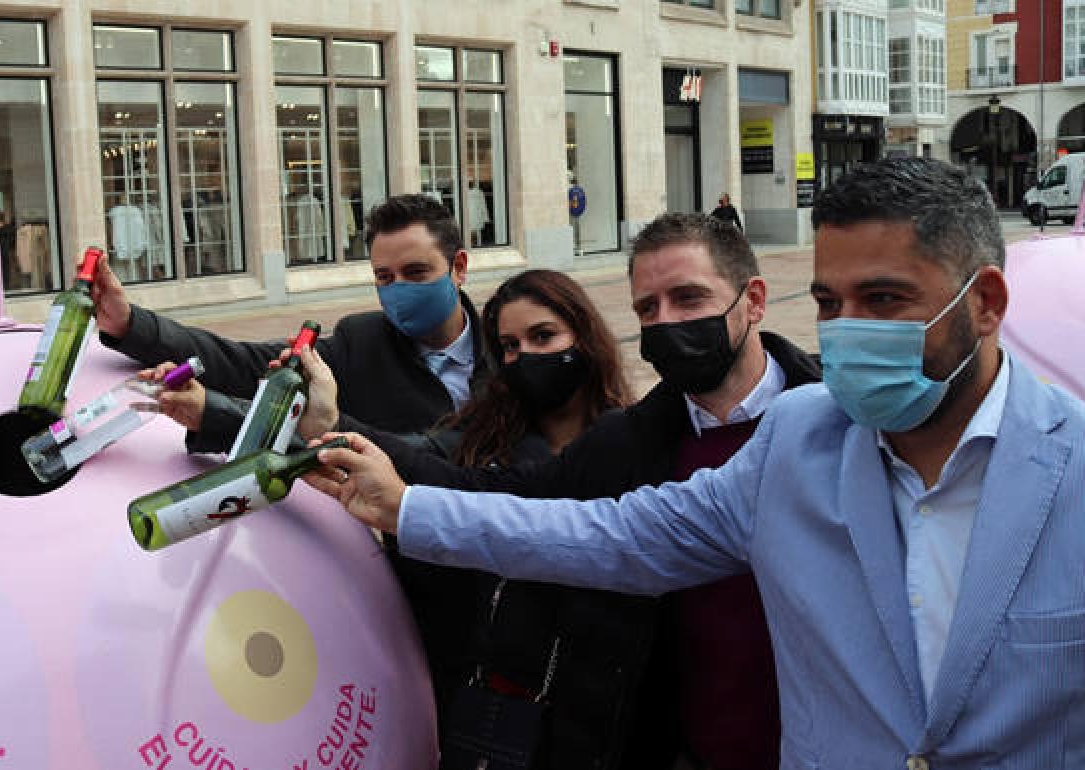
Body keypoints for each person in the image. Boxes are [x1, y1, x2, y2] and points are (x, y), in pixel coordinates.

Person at [315, 158, 1085, 768]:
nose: (848, 331)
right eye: (826, 303)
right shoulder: (798, 438)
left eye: (883, 300)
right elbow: (609, 537)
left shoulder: (1072, 465)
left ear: (985, 302)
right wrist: (403, 505)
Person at [303, 213, 821, 770]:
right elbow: (525, 509)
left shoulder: (834, 423)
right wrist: (356, 453)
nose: (667, 322)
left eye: (689, 299)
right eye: (648, 308)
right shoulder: (628, 440)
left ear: (755, 300)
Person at [313, 269, 640, 769]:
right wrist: (324, 427)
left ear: (585, 336)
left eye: (543, 336)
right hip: (496, 709)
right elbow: (421, 465)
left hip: (603, 710)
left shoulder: (629, 442)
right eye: (509, 345)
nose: (524, 356)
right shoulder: (481, 438)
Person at [88, 193, 488, 452]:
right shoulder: (361, 342)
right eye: (385, 277)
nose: (399, 290)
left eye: (416, 273)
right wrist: (128, 323)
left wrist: (329, 425)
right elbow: (242, 363)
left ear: (459, 267)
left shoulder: (514, 344)